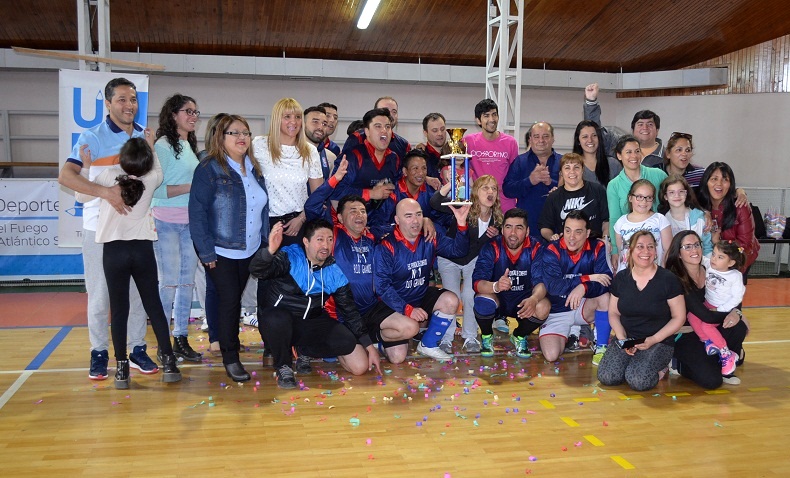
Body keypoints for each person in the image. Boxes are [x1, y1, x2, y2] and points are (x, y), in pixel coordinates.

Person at [57, 77, 157, 380]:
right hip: (99, 230)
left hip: (136, 229)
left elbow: (152, 180)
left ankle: (137, 347)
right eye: (123, 99)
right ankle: (99, 351)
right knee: (100, 294)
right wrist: (106, 193)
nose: (129, 105)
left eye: (134, 99)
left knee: (137, 294)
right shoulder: (93, 136)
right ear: (109, 103)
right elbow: (66, 176)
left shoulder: (144, 137)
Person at [76, 134, 181, 388]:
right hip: (142, 250)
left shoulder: (108, 175)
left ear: (121, 159)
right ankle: (168, 360)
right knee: (153, 305)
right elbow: (157, 169)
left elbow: (81, 198)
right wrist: (152, 144)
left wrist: (88, 166)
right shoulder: (151, 178)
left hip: (114, 252)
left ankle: (122, 368)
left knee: (119, 309)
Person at [250, 219, 381, 389]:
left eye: (329, 239)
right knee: (276, 318)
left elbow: (350, 311)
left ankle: (303, 350)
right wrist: (270, 251)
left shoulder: (334, 271)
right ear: (306, 241)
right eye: (320, 239)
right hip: (280, 321)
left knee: (347, 343)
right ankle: (284, 366)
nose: (325, 245)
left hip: (310, 321)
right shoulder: (290, 257)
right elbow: (257, 270)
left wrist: (369, 346)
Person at [189, 114, 269, 383]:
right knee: (229, 303)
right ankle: (230, 357)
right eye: (234, 133)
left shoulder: (254, 168)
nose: (242, 137)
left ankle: (230, 350)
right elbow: (197, 213)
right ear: (219, 138)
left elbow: (262, 208)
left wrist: (265, 243)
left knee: (233, 300)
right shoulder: (209, 168)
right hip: (221, 251)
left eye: (245, 132)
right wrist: (206, 251)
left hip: (251, 249)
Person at [373, 198, 470, 361]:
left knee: (451, 300)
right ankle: (376, 337)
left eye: (418, 215)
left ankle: (429, 345)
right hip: (393, 305)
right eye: (408, 216)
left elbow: (458, 250)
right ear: (397, 220)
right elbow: (382, 287)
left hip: (419, 296)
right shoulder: (386, 246)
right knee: (398, 357)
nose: (415, 220)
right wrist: (407, 309)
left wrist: (461, 224)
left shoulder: (429, 237)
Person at [597, 231, 686, 391]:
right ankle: (636, 362)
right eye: (640, 247)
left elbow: (678, 318)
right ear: (630, 251)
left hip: (658, 341)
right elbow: (613, 313)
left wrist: (653, 339)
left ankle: (662, 367)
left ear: (655, 251)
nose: (646, 251)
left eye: (650, 247)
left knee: (638, 381)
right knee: (607, 377)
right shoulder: (622, 278)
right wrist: (623, 339)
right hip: (628, 339)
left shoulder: (668, 279)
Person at [151, 94, 202, 362]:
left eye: (196, 112)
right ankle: (163, 343)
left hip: (189, 222)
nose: (194, 116)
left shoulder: (188, 144)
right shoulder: (162, 146)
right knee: (169, 282)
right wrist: (192, 188)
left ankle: (180, 337)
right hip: (167, 221)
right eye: (188, 111)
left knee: (186, 282)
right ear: (173, 115)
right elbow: (156, 188)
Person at [431, 175, 503, 353]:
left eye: (493, 188)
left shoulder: (497, 219)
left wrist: (492, 237)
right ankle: (446, 338)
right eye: (485, 188)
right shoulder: (465, 207)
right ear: (475, 193)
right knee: (452, 297)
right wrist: (451, 184)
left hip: (471, 259)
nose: (490, 192)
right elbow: (435, 202)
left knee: (470, 294)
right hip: (450, 259)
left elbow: (478, 248)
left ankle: (470, 336)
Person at [666, 231, 749, 388]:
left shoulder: (710, 267)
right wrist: (733, 314)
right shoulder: (676, 278)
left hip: (709, 328)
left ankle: (726, 363)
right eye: (688, 247)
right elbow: (706, 316)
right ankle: (679, 364)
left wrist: (737, 312)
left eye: (697, 245)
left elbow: (733, 294)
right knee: (712, 381)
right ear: (679, 253)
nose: (694, 250)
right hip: (686, 334)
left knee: (738, 327)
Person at [472, 208, 550, 358]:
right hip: (499, 300)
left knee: (543, 306)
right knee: (482, 300)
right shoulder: (491, 247)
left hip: (523, 301)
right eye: (508, 227)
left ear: (527, 231)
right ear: (502, 230)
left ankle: (520, 335)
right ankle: (487, 335)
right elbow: (477, 283)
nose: (513, 233)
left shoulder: (537, 248)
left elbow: (541, 282)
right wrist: (496, 286)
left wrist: (534, 299)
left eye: (518, 228)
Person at [540, 210, 612, 364]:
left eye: (578, 232)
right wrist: (585, 279)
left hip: (582, 306)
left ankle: (601, 346)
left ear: (587, 233)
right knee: (551, 356)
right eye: (567, 231)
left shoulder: (598, 247)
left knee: (605, 298)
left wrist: (583, 288)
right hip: (556, 312)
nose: (571, 237)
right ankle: (571, 332)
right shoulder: (551, 249)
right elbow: (554, 286)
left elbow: (606, 281)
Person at [253, 98, 323, 247]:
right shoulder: (259, 145)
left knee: (293, 269)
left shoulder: (310, 151)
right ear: (277, 119)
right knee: (266, 268)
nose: (294, 122)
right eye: (287, 117)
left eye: (298, 117)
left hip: (296, 225)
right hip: (265, 223)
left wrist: (302, 218)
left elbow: (319, 194)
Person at [687, 240, 746, 376]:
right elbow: (701, 258)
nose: (714, 258)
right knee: (692, 316)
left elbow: (737, 297)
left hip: (721, 308)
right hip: (708, 304)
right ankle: (707, 341)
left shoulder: (735, 276)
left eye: (720, 257)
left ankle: (725, 353)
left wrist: (722, 309)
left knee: (707, 326)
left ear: (730, 263)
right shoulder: (709, 265)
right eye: (714, 254)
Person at [697, 162, 760, 281]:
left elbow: (746, 245)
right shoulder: (700, 204)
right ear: (706, 182)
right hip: (711, 258)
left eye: (725, 179)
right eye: (714, 179)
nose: (719, 184)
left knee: (731, 294)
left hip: (738, 259)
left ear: (730, 184)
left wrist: (719, 243)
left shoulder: (740, 207)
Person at [606, 135, 667, 252]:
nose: (634, 156)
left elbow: (674, 195)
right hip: (629, 242)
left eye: (637, 151)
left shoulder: (658, 175)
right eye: (628, 152)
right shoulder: (614, 185)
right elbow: (614, 219)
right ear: (619, 155)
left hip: (657, 239)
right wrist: (615, 250)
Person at [583, 83, 664, 167]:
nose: (645, 128)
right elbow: (594, 132)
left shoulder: (667, 156)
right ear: (632, 130)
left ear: (657, 130)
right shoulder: (617, 144)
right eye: (640, 124)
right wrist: (591, 102)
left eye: (650, 124)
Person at [330, 108, 398, 207]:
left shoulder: (394, 158)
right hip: (354, 219)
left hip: (383, 220)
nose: (384, 130)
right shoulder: (352, 156)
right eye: (378, 126)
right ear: (367, 131)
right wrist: (371, 193)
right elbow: (336, 191)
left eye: (387, 127)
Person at [503, 122, 561, 232]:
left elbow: (572, 191)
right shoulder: (520, 161)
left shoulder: (563, 162)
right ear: (530, 139)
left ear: (553, 139)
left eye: (546, 136)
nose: (541, 140)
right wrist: (530, 181)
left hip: (556, 229)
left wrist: (551, 182)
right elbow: (507, 190)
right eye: (536, 136)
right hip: (528, 229)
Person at [464, 99, 519, 211]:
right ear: (478, 120)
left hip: (505, 204)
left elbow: (515, 175)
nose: (492, 119)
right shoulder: (468, 142)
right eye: (486, 116)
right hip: (479, 205)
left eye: (494, 115)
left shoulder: (510, 142)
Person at [538, 152, 608, 241]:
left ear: (583, 170)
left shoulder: (597, 190)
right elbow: (545, 227)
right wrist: (552, 237)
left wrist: (605, 239)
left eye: (576, 167)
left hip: (594, 246)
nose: (572, 172)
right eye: (567, 168)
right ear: (561, 173)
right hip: (567, 248)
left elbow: (606, 220)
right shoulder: (554, 197)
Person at [368, 150, 438, 238]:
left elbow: (440, 220)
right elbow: (377, 224)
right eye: (415, 168)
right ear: (405, 171)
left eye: (424, 168)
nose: (421, 173)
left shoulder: (430, 192)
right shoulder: (390, 192)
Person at [612, 179, 673, 272]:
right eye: (639, 197)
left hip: (655, 272)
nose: (644, 202)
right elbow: (622, 252)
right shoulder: (621, 222)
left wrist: (662, 272)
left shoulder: (660, 219)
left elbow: (668, 251)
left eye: (648, 197)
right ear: (630, 198)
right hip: (628, 274)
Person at [658, 174, 713, 256]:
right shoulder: (663, 221)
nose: (677, 196)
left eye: (681, 191)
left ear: (686, 193)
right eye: (671, 192)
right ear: (665, 196)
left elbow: (707, 247)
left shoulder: (700, 217)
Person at [572, 119, 621, 187]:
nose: (590, 140)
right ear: (578, 141)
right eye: (585, 137)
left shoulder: (613, 164)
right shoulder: (572, 166)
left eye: (594, 135)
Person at [304, 105, 337, 182]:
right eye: (315, 122)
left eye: (324, 124)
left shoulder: (330, 157)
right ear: (303, 124)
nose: (320, 127)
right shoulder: (291, 153)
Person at [420, 112, 450, 178]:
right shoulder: (420, 156)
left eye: (442, 129)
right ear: (425, 133)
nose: (440, 133)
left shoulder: (453, 154)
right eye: (435, 130)